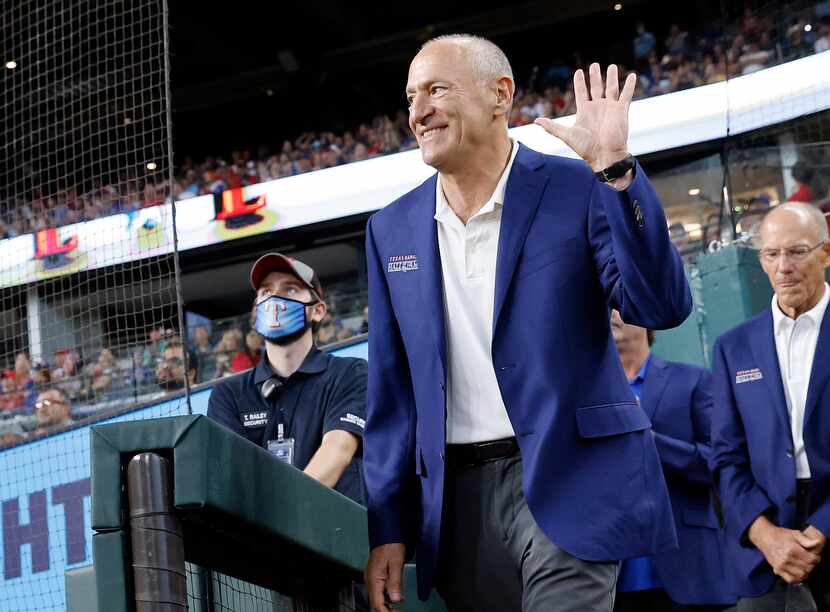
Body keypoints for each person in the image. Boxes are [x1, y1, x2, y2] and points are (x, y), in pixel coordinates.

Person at [363, 34, 691, 612]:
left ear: (500, 94)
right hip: (456, 505)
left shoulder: (581, 187)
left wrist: (615, 171)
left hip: (571, 479)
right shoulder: (389, 229)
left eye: (437, 90)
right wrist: (387, 525)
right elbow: (391, 393)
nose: (417, 112)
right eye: (411, 96)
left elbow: (659, 307)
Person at [711, 202, 830, 610]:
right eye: (771, 254)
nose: (784, 266)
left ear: (825, 253)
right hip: (766, 553)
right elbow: (726, 457)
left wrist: (822, 531)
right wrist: (765, 535)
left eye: (797, 251)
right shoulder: (734, 348)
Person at [207, 253, 367, 504]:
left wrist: (284, 522)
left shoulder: (350, 373)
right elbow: (234, 475)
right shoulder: (228, 394)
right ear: (255, 311)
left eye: (290, 290)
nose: (274, 299)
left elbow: (338, 450)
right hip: (259, 538)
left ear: (318, 310)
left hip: (335, 535)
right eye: (265, 291)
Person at [610, 310, 734, 611]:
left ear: (647, 320)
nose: (611, 315)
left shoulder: (693, 380)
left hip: (687, 565)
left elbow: (718, 462)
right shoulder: (588, 394)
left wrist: (650, 440)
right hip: (610, 574)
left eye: (619, 307)